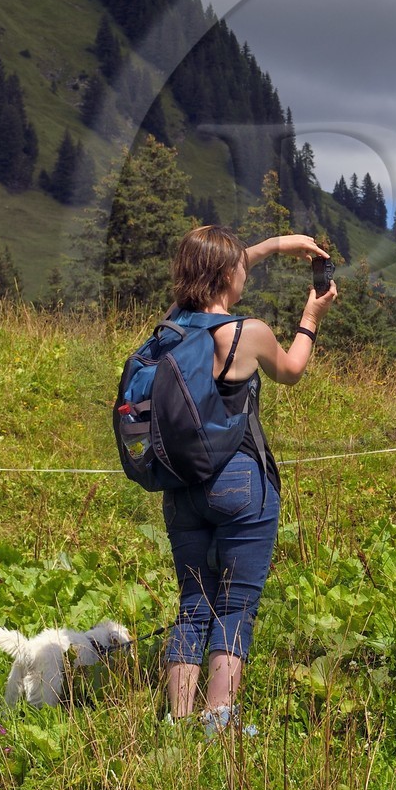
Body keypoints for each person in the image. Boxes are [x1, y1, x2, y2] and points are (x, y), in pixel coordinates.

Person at [160, 225, 336, 729]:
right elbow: (291, 370)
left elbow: (221, 267)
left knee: (193, 603)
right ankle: (218, 721)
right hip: (239, 482)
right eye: (240, 266)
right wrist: (310, 317)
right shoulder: (247, 331)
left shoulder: (172, 326)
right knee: (234, 605)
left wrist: (278, 246)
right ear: (228, 274)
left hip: (180, 487)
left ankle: (177, 719)